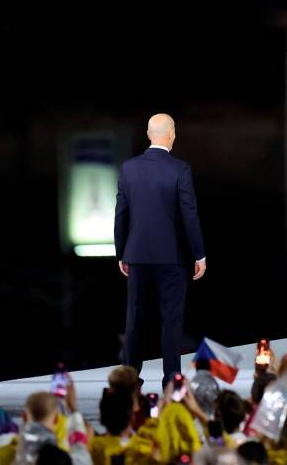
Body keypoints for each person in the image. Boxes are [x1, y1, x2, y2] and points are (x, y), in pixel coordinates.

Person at [114, 113, 207, 386]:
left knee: (134, 319)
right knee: (172, 320)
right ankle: (170, 380)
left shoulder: (128, 168)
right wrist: (199, 254)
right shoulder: (180, 169)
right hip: (173, 258)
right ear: (172, 134)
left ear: (148, 134)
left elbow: (121, 214)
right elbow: (189, 215)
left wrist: (122, 252)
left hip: (137, 256)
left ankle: (128, 378)